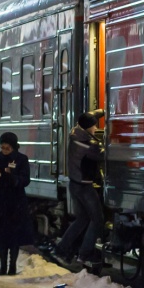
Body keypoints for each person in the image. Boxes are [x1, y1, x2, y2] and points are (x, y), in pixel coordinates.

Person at [53, 109, 106, 266]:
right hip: (84, 187)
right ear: (88, 127)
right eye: (94, 126)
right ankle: (85, 254)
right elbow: (103, 154)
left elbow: (89, 116)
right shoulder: (85, 144)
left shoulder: (77, 132)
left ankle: (61, 250)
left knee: (82, 219)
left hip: (76, 185)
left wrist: (103, 111)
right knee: (97, 220)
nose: (96, 129)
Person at [0, 132, 34, 276]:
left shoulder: (21, 159)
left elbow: (25, 180)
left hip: (16, 201)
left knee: (14, 237)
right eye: (2, 148)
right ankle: (2, 267)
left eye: (7, 148)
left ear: (13, 147)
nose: (4, 150)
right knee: (2, 236)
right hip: (0, 201)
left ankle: (12, 266)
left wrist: (11, 177)